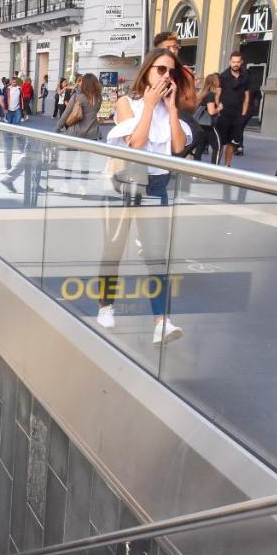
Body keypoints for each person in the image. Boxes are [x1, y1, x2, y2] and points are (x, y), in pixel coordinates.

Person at [98, 49, 191, 345]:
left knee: (156, 256)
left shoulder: (169, 107)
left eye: (170, 72)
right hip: (127, 184)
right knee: (115, 248)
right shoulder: (127, 103)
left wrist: (172, 109)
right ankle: (106, 304)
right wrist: (149, 106)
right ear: (147, 70)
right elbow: (135, 144)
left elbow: (178, 147)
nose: (165, 76)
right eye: (160, 70)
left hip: (158, 185)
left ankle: (161, 321)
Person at [217, 51, 251, 167]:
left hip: (237, 115)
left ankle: (227, 165)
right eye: (233, 62)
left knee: (231, 143)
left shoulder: (245, 76)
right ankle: (216, 165)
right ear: (229, 62)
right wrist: (218, 109)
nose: (235, 64)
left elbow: (247, 97)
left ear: (241, 62)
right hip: (224, 114)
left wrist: (243, 115)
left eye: (237, 62)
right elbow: (217, 94)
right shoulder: (223, 76)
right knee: (221, 142)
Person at [191, 73, 221, 161]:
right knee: (218, 147)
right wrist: (219, 108)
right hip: (209, 125)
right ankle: (214, 170)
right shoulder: (210, 95)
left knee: (200, 148)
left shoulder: (203, 94)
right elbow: (212, 111)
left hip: (201, 125)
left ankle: (195, 171)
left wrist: (217, 97)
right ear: (215, 83)